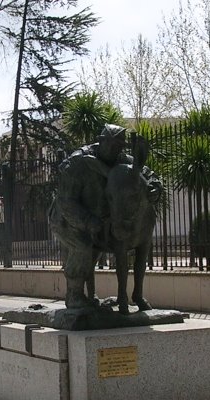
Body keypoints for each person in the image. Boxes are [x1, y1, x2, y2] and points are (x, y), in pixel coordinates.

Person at [48, 124, 162, 309]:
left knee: (100, 247)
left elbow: (147, 175)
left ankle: (110, 298)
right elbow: (66, 202)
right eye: (109, 145)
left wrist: (155, 188)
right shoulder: (78, 163)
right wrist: (86, 221)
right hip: (67, 219)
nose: (113, 150)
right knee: (83, 246)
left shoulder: (123, 161)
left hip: (102, 220)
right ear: (100, 141)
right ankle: (74, 295)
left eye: (118, 146)